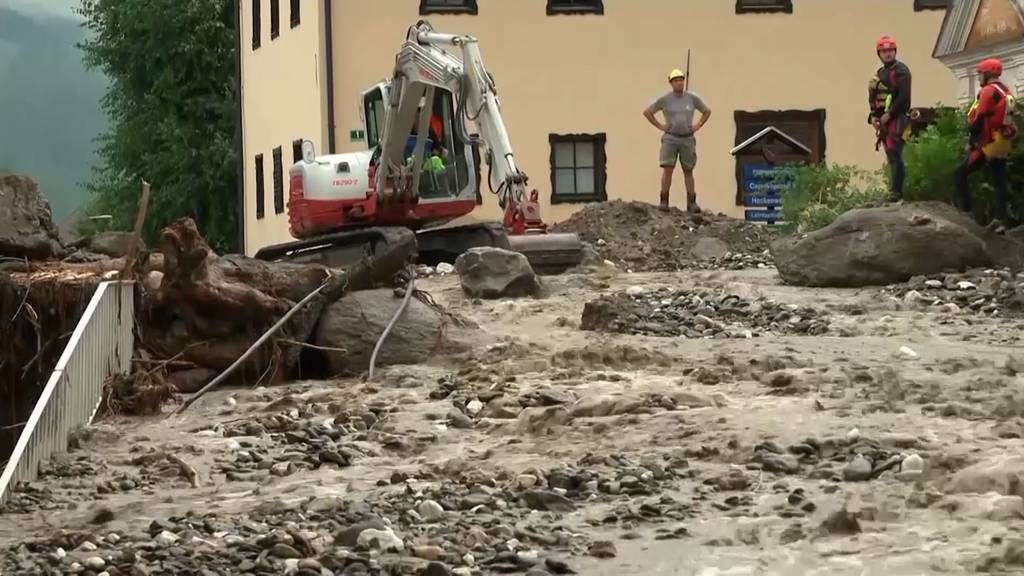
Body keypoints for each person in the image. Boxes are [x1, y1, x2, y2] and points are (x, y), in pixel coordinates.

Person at [954, 57, 1017, 229]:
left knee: (960, 174)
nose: (979, 76)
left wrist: (972, 141)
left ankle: (967, 214)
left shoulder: (988, 91)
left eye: (980, 73)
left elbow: (980, 118)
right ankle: (1000, 221)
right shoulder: (1005, 90)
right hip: (1003, 141)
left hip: (990, 142)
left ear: (988, 73)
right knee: (999, 180)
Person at [643, 68, 711, 213]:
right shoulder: (665, 99)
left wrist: (698, 125)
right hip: (671, 138)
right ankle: (664, 201)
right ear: (671, 83)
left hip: (687, 138)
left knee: (688, 170)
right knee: (668, 169)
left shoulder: (692, 98)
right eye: (676, 81)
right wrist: (660, 126)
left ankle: (691, 202)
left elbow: (706, 111)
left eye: (681, 80)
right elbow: (648, 112)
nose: (679, 83)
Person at [870, 36, 912, 202]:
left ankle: (897, 191)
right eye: (884, 51)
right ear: (879, 54)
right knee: (890, 154)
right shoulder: (880, 73)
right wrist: (873, 116)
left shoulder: (901, 71)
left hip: (898, 117)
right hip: (883, 119)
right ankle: (893, 190)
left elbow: (903, 98)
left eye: (890, 50)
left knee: (896, 153)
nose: (887, 54)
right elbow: (873, 96)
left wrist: (890, 115)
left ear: (895, 51)